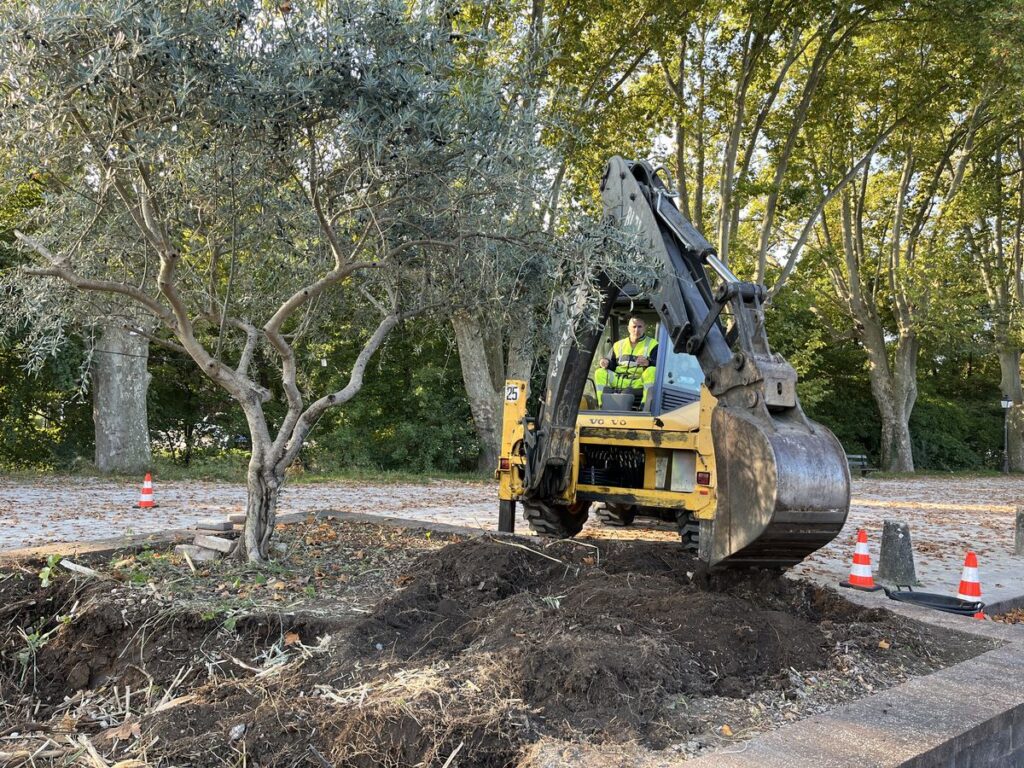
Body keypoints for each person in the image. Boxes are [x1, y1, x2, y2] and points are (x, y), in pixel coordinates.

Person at [594, 316, 658, 408]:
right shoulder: (618, 345)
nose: (636, 330)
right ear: (628, 328)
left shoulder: (653, 344)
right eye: (634, 327)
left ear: (645, 327)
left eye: (639, 327)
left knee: (652, 370)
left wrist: (648, 363)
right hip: (618, 380)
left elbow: (661, 366)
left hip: (638, 381)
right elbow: (612, 364)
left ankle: (645, 406)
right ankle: (601, 405)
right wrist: (606, 362)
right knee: (599, 372)